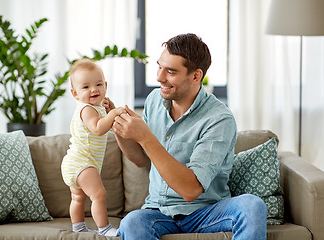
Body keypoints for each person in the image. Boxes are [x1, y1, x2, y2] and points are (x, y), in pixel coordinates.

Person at [112, 33, 267, 240]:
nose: (159, 77)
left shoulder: (219, 118)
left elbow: (191, 190)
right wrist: (120, 130)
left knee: (251, 205)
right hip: (158, 211)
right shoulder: (153, 101)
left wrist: (146, 137)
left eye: (171, 72)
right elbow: (141, 160)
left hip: (206, 211)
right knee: (131, 222)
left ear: (195, 76)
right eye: (159, 67)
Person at [61, 58, 124, 236]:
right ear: (75, 93)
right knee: (98, 194)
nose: (94, 89)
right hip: (82, 162)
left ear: (105, 85)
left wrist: (107, 110)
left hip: (74, 163)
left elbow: (103, 121)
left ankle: (78, 227)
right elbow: (97, 128)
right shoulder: (87, 109)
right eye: (86, 87)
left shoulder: (95, 107)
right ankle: (104, 228)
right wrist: (112, 113)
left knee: (78, 197)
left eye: (98, 84)